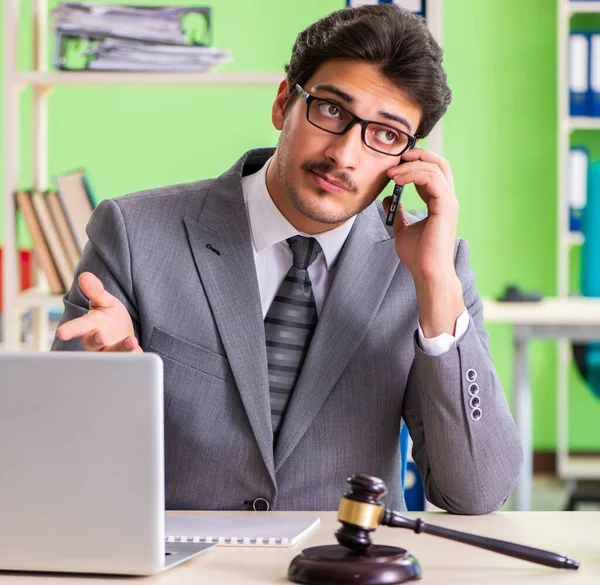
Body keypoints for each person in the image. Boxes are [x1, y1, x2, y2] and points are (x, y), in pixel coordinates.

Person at [52, 4, 523, 513]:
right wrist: (111, 389)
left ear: (408, 160)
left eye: (386, 135)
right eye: (332, 110)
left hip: (342, 567)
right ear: (283, 103)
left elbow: (475, 493)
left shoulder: (434, 271)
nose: (345, 155)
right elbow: (60, 462)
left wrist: (435, 286)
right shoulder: (134, 234)